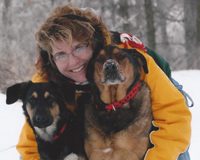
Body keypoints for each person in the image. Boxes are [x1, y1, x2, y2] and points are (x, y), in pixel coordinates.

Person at [16, 5, 191, 160]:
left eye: (79, 47)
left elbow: (174, 119)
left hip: (151, 104)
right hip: (97, 113)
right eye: (61, 54)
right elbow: (31, 144)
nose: (73, 61)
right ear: (51, 59)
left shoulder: (126, 60)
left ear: (94, 43)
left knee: (172, 149)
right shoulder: (46, 79)